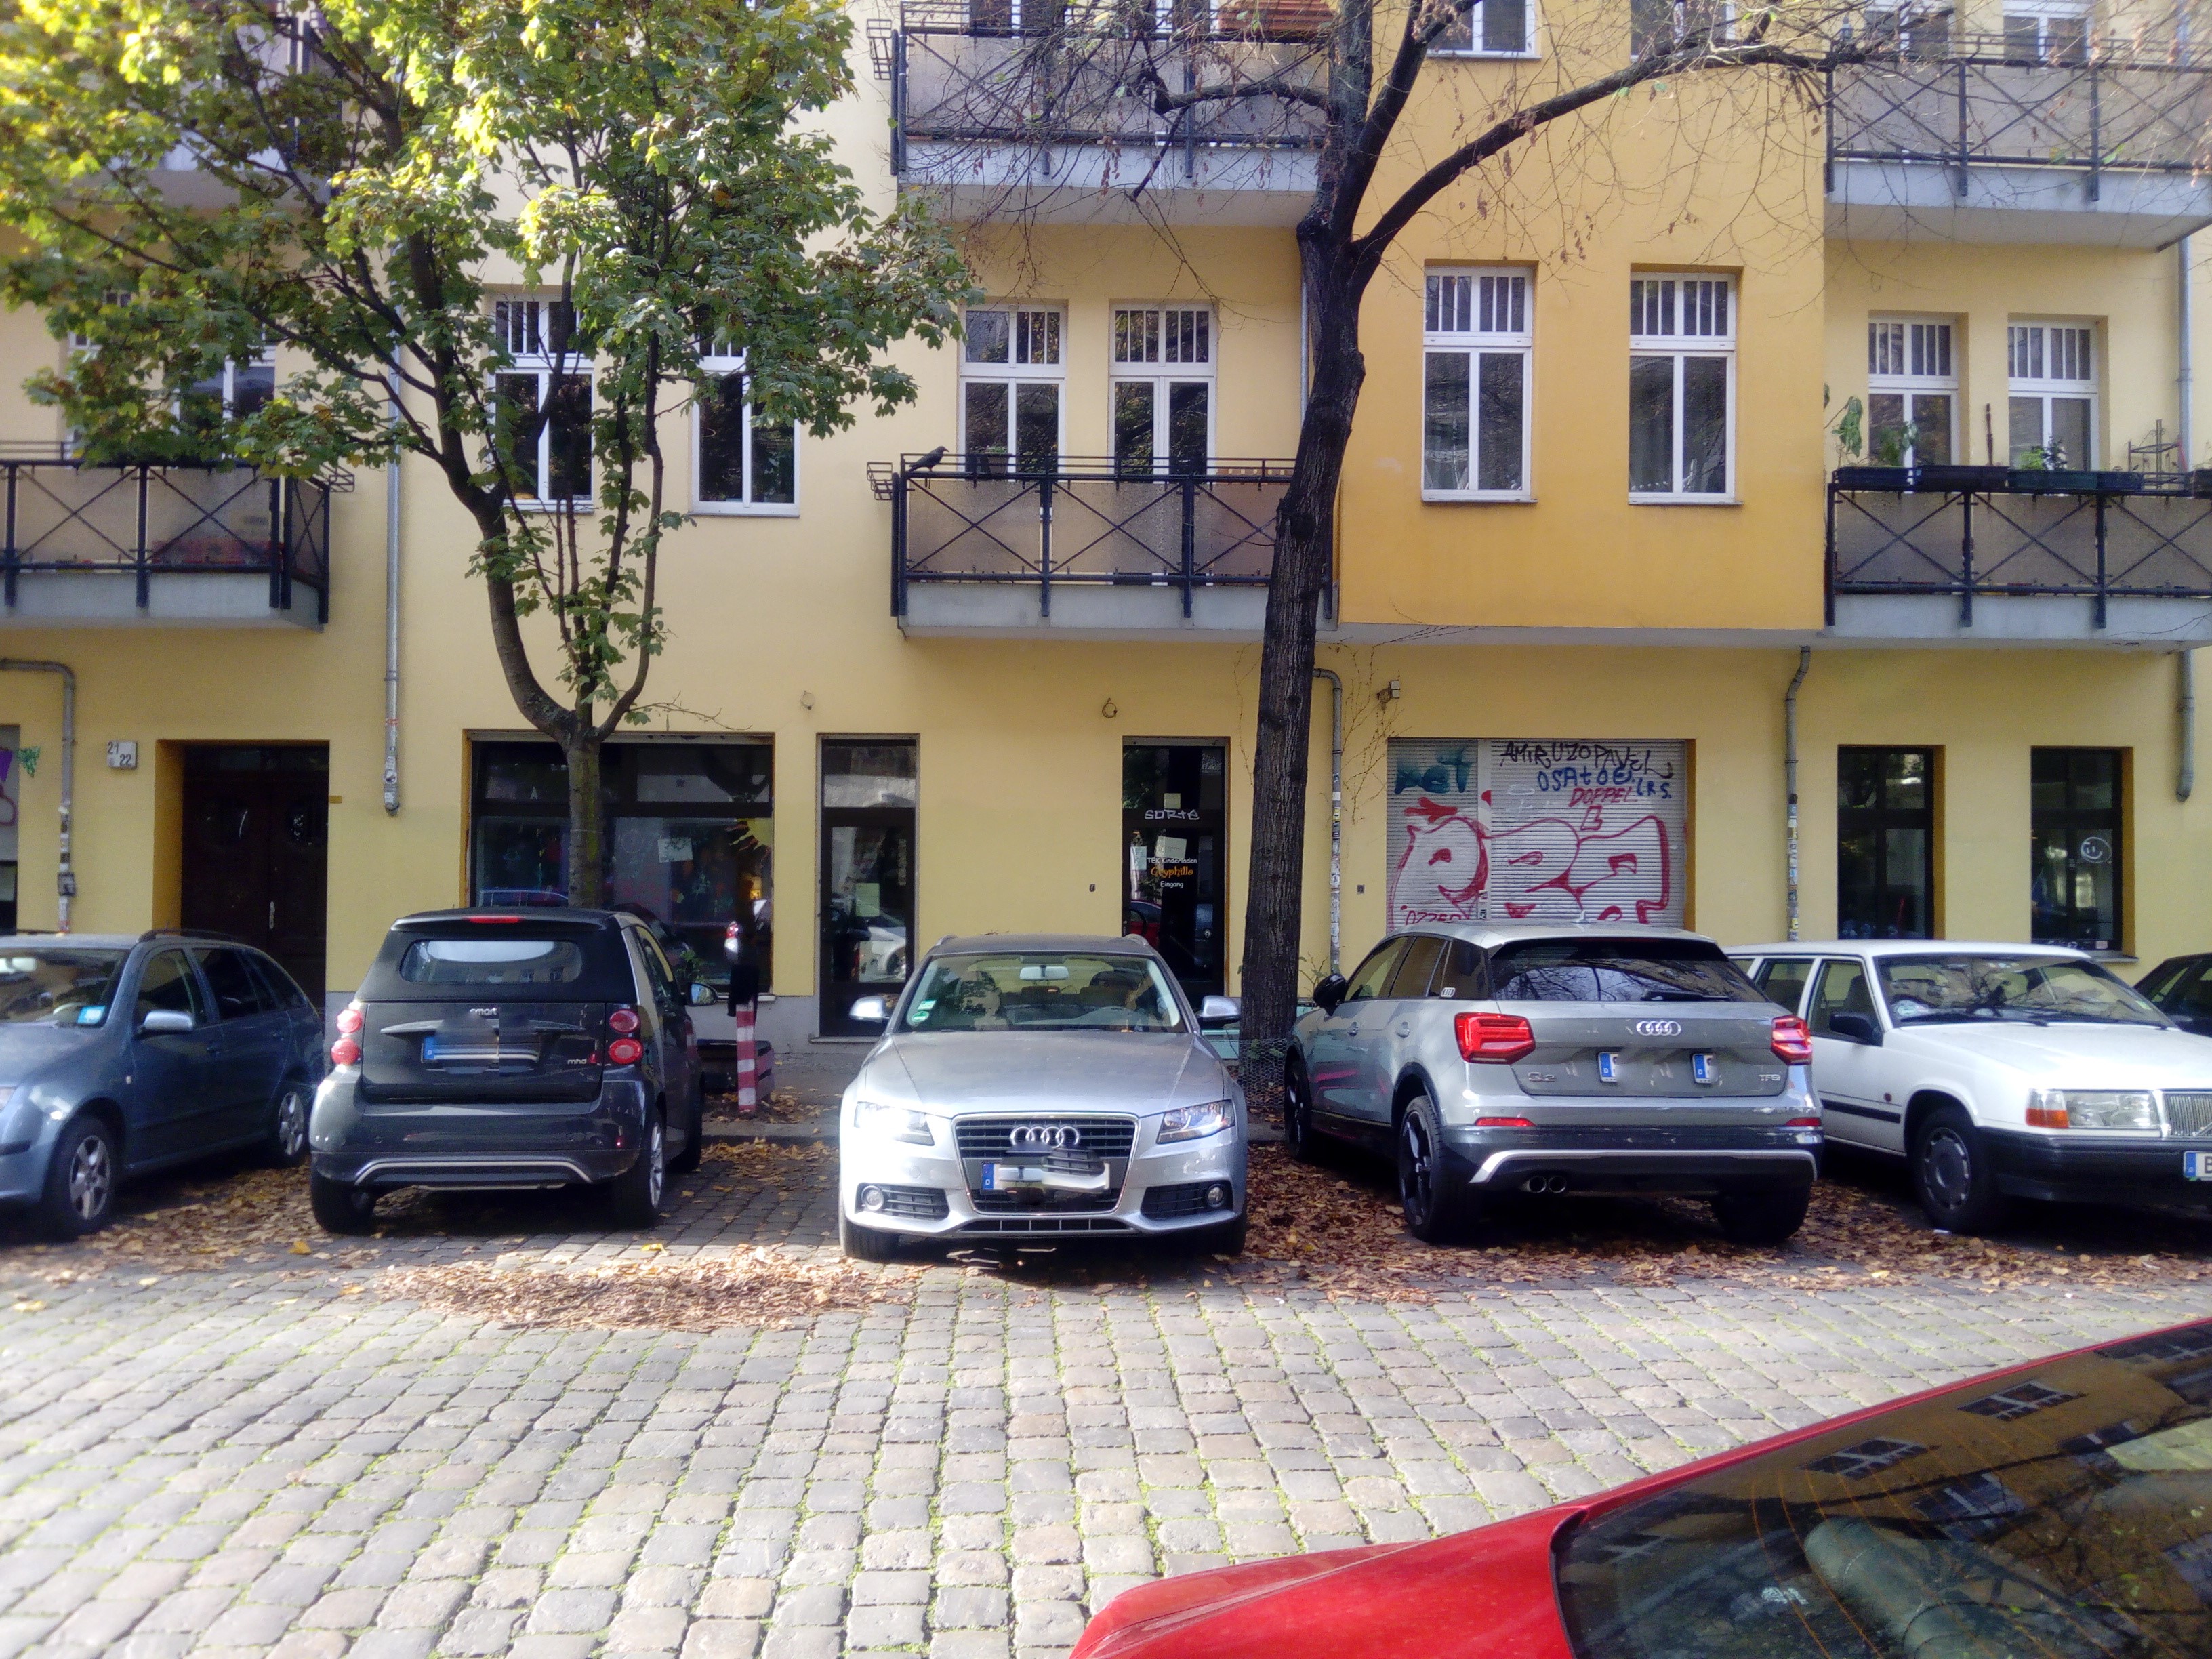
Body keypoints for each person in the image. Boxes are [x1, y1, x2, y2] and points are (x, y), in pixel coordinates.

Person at [724, 913, 763, 1117]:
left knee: (747, 1041)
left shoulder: (744, 954)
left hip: (743, 989)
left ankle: (748, 1099)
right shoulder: (749, 953)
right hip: (746, 992)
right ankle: (747, 1100)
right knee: (747, 1040)